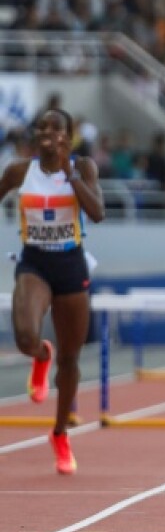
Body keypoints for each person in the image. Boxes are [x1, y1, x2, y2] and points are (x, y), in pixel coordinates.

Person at [0, 106, 105, 474]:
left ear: (69, 136)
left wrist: (70, 175)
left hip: (71, 265)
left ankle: (60, 433)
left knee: (71, 361)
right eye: (41, 127)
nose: (47, 132)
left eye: (55, 128)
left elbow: (98, 213)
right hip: (35, 263)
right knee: (25, 336)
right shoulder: (18, 171)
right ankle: (40, 354)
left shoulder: (84, 168)